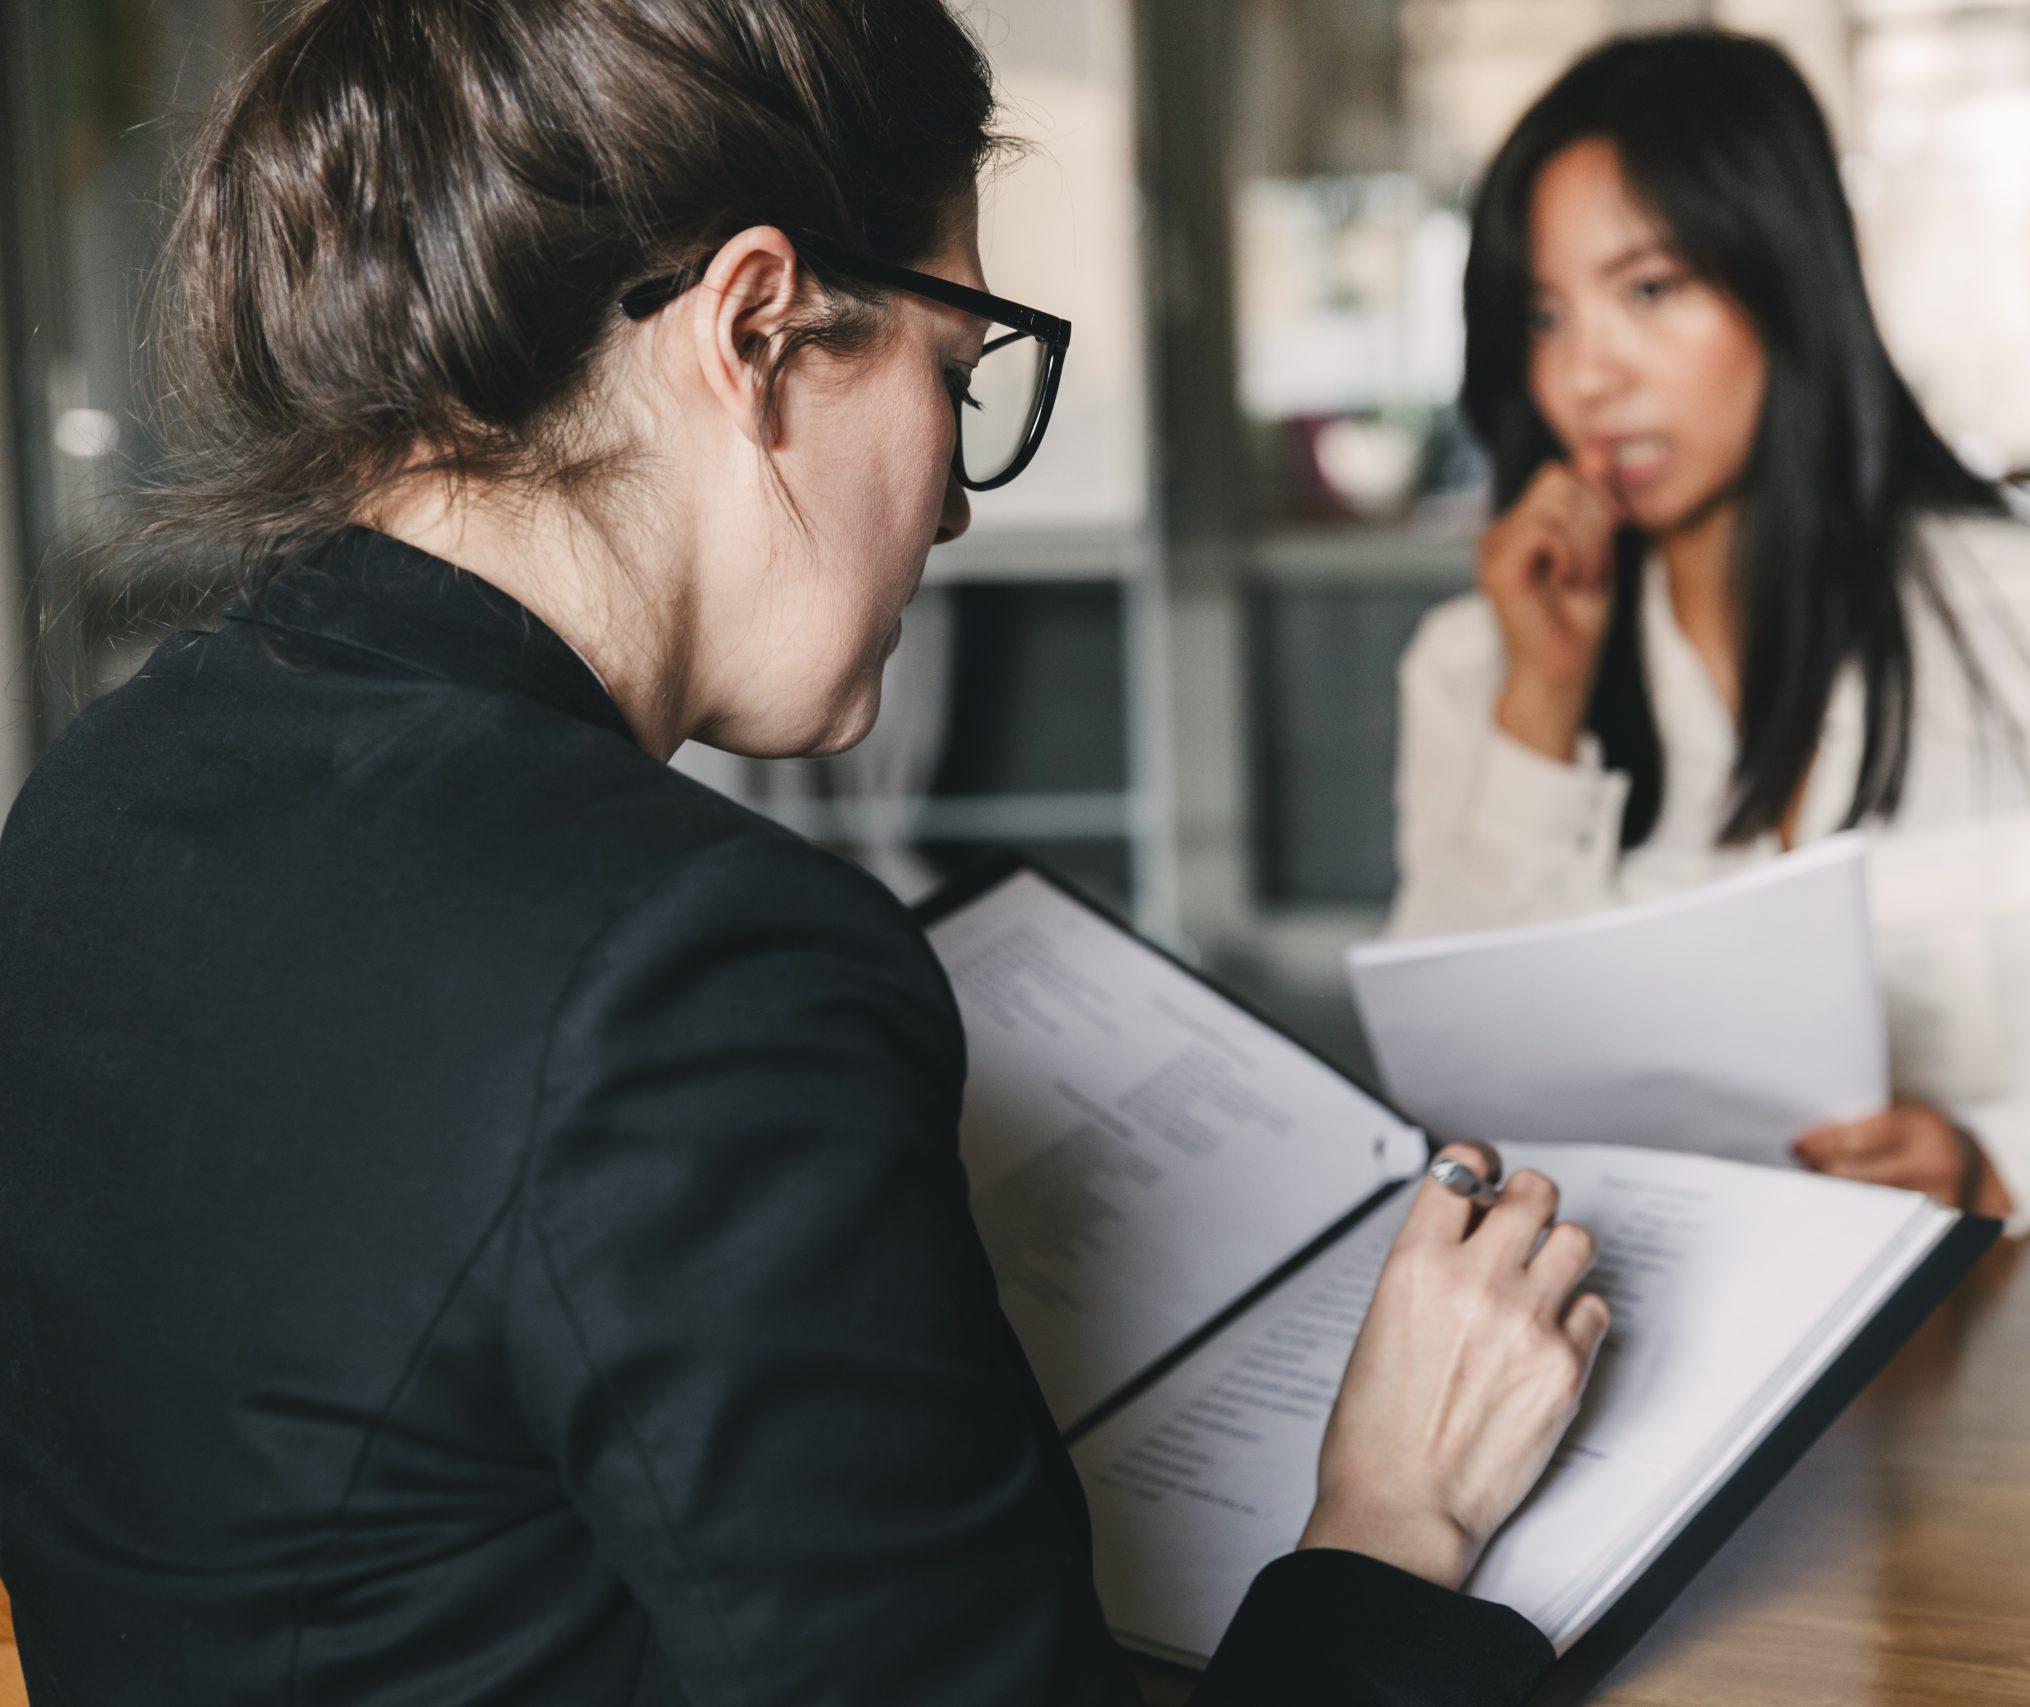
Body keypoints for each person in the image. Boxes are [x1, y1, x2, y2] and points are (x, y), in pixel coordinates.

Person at [0, 3, 1608, 1702]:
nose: (958, 506)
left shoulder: (105, 795)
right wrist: (1388, 1518)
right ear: (757, 326)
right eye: (952, 378)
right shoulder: (698, 966)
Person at [1390, 29, 2030, 1234]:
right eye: (1542, 317)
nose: (1585, 378)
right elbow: (1444, 1105)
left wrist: (1993, 1163)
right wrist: (1540, 705)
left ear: (1787, 281)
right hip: (1617, 1350)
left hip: (2017, 1352)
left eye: (1647, 289)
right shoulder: (1479, 664)